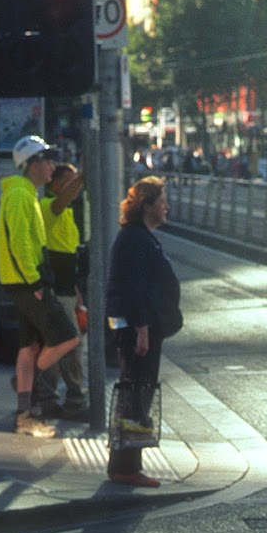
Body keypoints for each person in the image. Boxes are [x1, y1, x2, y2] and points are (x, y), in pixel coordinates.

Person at [0, 135, 81, 439]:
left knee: (29, 347)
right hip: (27, 282)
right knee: (68, 337)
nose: (53, 166)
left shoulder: (24, 193)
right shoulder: (21, 196)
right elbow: (19, 241)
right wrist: (34, 281)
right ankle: (29, 386)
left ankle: (25, 415)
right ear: (33, 165)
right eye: (47, 160)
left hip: (21, 281)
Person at [104, 176, 181, 487]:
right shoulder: (135, 239)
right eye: (162, 201)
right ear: (147, 206)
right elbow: (134, 289)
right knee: (136, 394)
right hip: (137, 328)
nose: (167, 207)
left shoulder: (138, 236)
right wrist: (142, 330)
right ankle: (126, 467)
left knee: (135, 392)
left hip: (139, 325)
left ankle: (125, 463)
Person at [34, 162, 89, 420]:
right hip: (55, 288)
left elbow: (69, 255)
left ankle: (49, 395)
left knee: (59, 342)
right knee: (69, 343)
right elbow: (60, 202)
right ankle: (71, 397)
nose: (74, 189)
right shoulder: (48, 206)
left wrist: (77, 290)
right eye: (68, 182)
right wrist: (81, 177)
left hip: (66, 287)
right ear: (55, 185)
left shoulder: (67, 213)